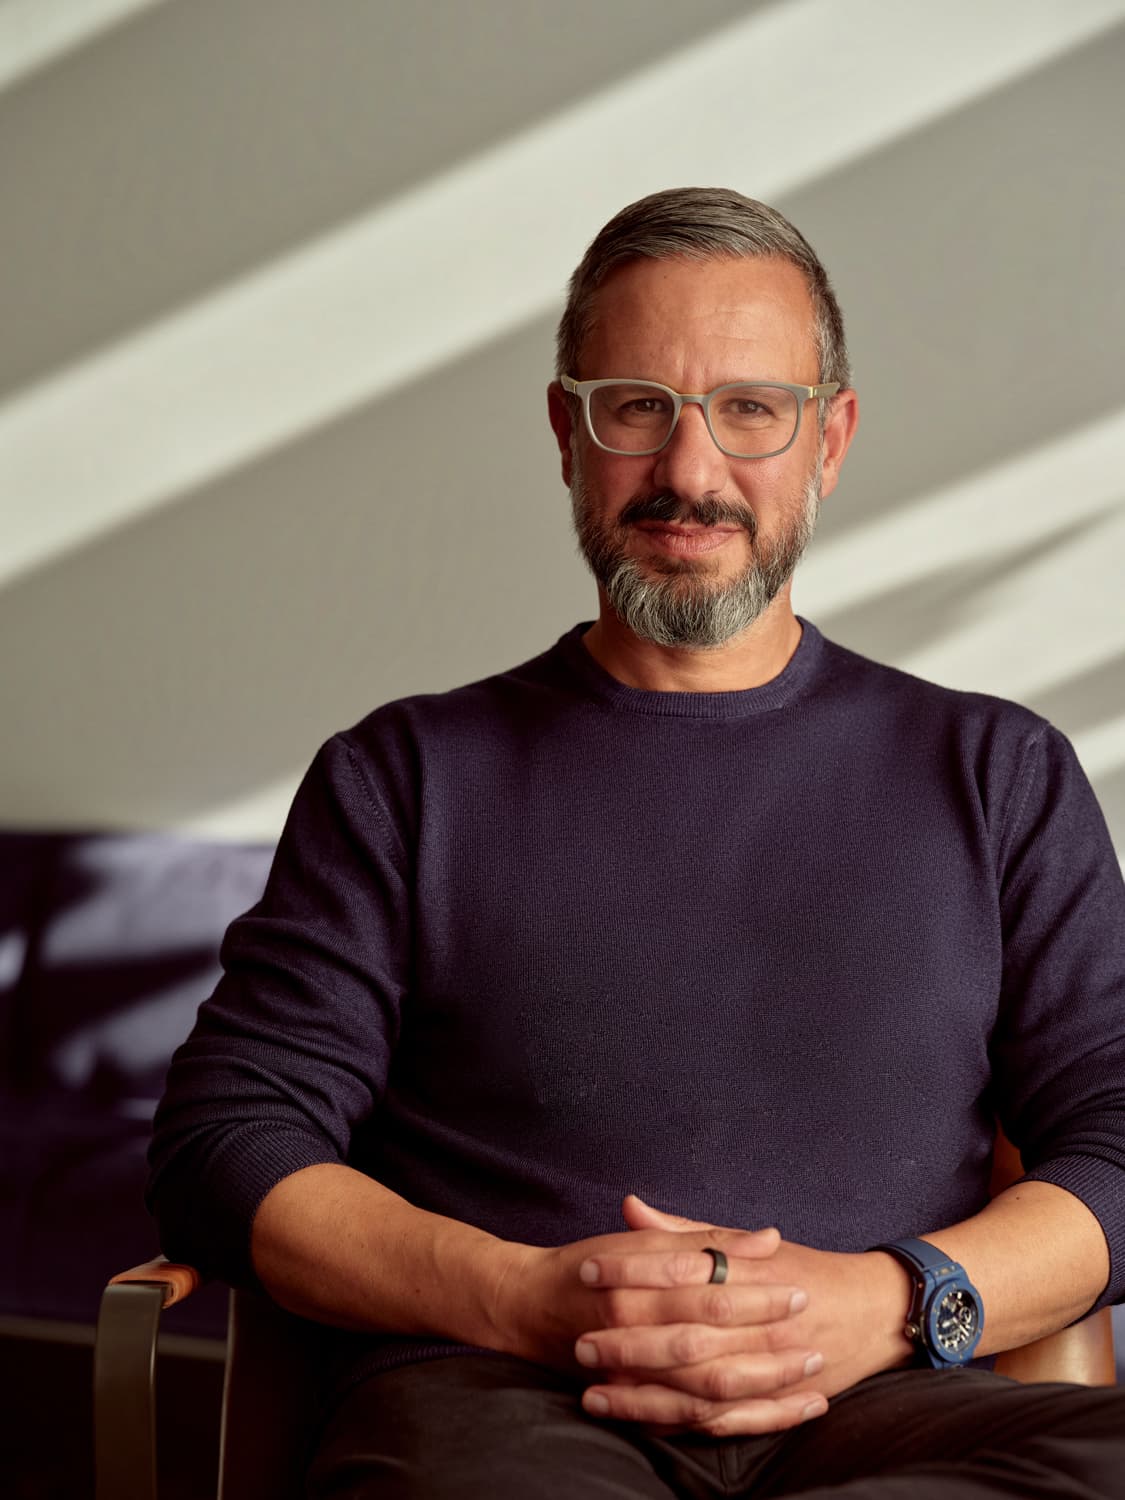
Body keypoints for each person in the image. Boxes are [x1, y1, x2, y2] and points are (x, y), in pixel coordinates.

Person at [148, 187, 1125, 1497]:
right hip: (505, 1403)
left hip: (892, 1405)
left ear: (827, 438)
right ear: (564, 431)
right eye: (635, 408)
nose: (689, 472)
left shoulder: (996, 775)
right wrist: (528, 1300)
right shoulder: (403, 776)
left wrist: (891, 1303)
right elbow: (228, 1136)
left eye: (749, 410)